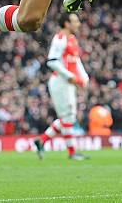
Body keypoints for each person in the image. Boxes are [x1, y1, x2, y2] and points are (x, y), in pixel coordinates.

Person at [34, 13, 89, 160]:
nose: (78, 24)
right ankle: (72, 152)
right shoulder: (60, 38)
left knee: (67, 117)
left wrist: (84, 77)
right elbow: (52, 61)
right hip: (60, 82)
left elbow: (76, 60)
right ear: (66, 23)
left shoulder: (72, 39)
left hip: (68, 82)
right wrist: (70, 76)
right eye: (75, 21)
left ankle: (42, 141)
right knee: (68, 117)